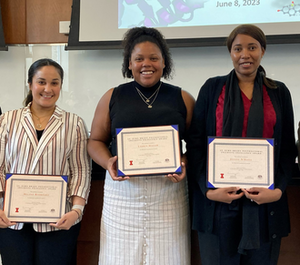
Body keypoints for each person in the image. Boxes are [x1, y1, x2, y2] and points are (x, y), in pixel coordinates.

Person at [187, 24, 297, 265]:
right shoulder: (212, 88)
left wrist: (277, 191)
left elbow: (288, 150)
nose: (245, 54)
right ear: (230, 53)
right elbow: (195, 145)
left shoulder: (279, 92)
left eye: (252, 47)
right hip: (218, 205)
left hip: (264, 207)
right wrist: (209, 190)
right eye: (238, 48)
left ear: (263, 51)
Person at [88, 26, 195, 264]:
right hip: (122, 193)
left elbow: (196, 146)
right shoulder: (112, 96)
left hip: (169, 193)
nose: (147, 64)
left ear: (164, 62)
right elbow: (94, 141)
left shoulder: (183, 98)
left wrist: (183, 163)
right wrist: (108, 162)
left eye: (153, 58)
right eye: (139, 59)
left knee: (169, 257)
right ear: (129, 63)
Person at [0, 58, 91, 265]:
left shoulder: (73, 123)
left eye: (54, 82)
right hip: (11, 220)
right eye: (41, 82)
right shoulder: (7, 120)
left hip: (59, 220)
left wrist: (76, 211)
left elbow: (80, 171)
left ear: (61, 86)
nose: (48, 88)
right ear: (30, 84)